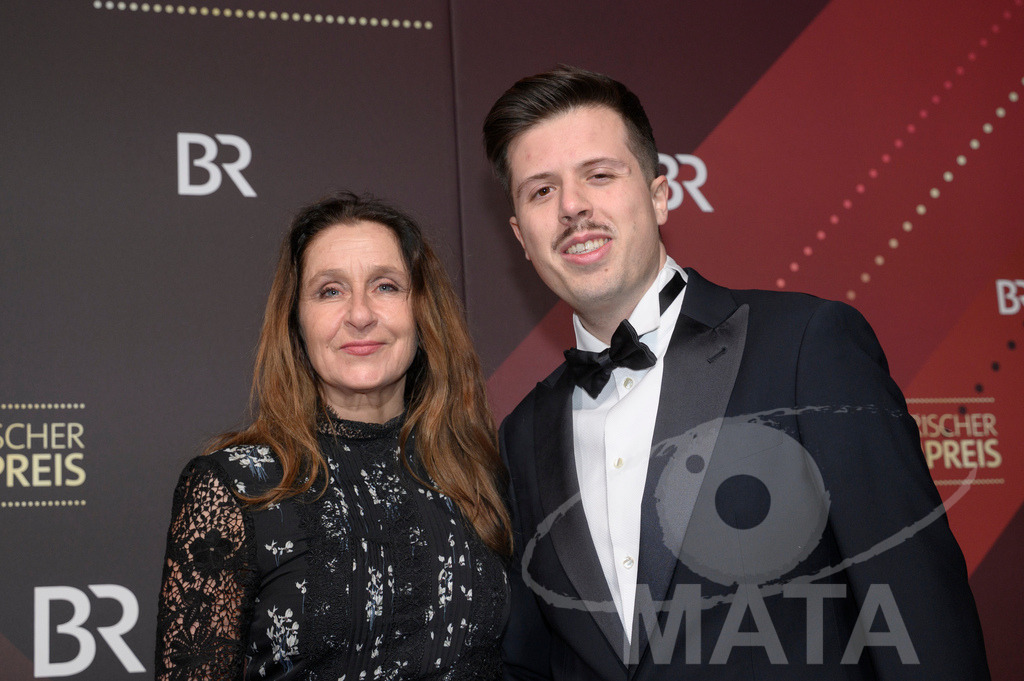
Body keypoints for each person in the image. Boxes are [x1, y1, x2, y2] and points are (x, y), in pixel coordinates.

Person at [484, 66, 990, 680]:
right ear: (521, 236)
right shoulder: (522, 434)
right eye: (540, 191)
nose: (572, 207)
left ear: (659, 193)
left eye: (599, 175)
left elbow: (921, 612)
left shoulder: (807, 347)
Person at [155, 192, 511, 680]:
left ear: (423, 313)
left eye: (386, 286)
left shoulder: (479, 471)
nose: (360, 315)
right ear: (296, 322)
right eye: (330, 291)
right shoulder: (237, 488)